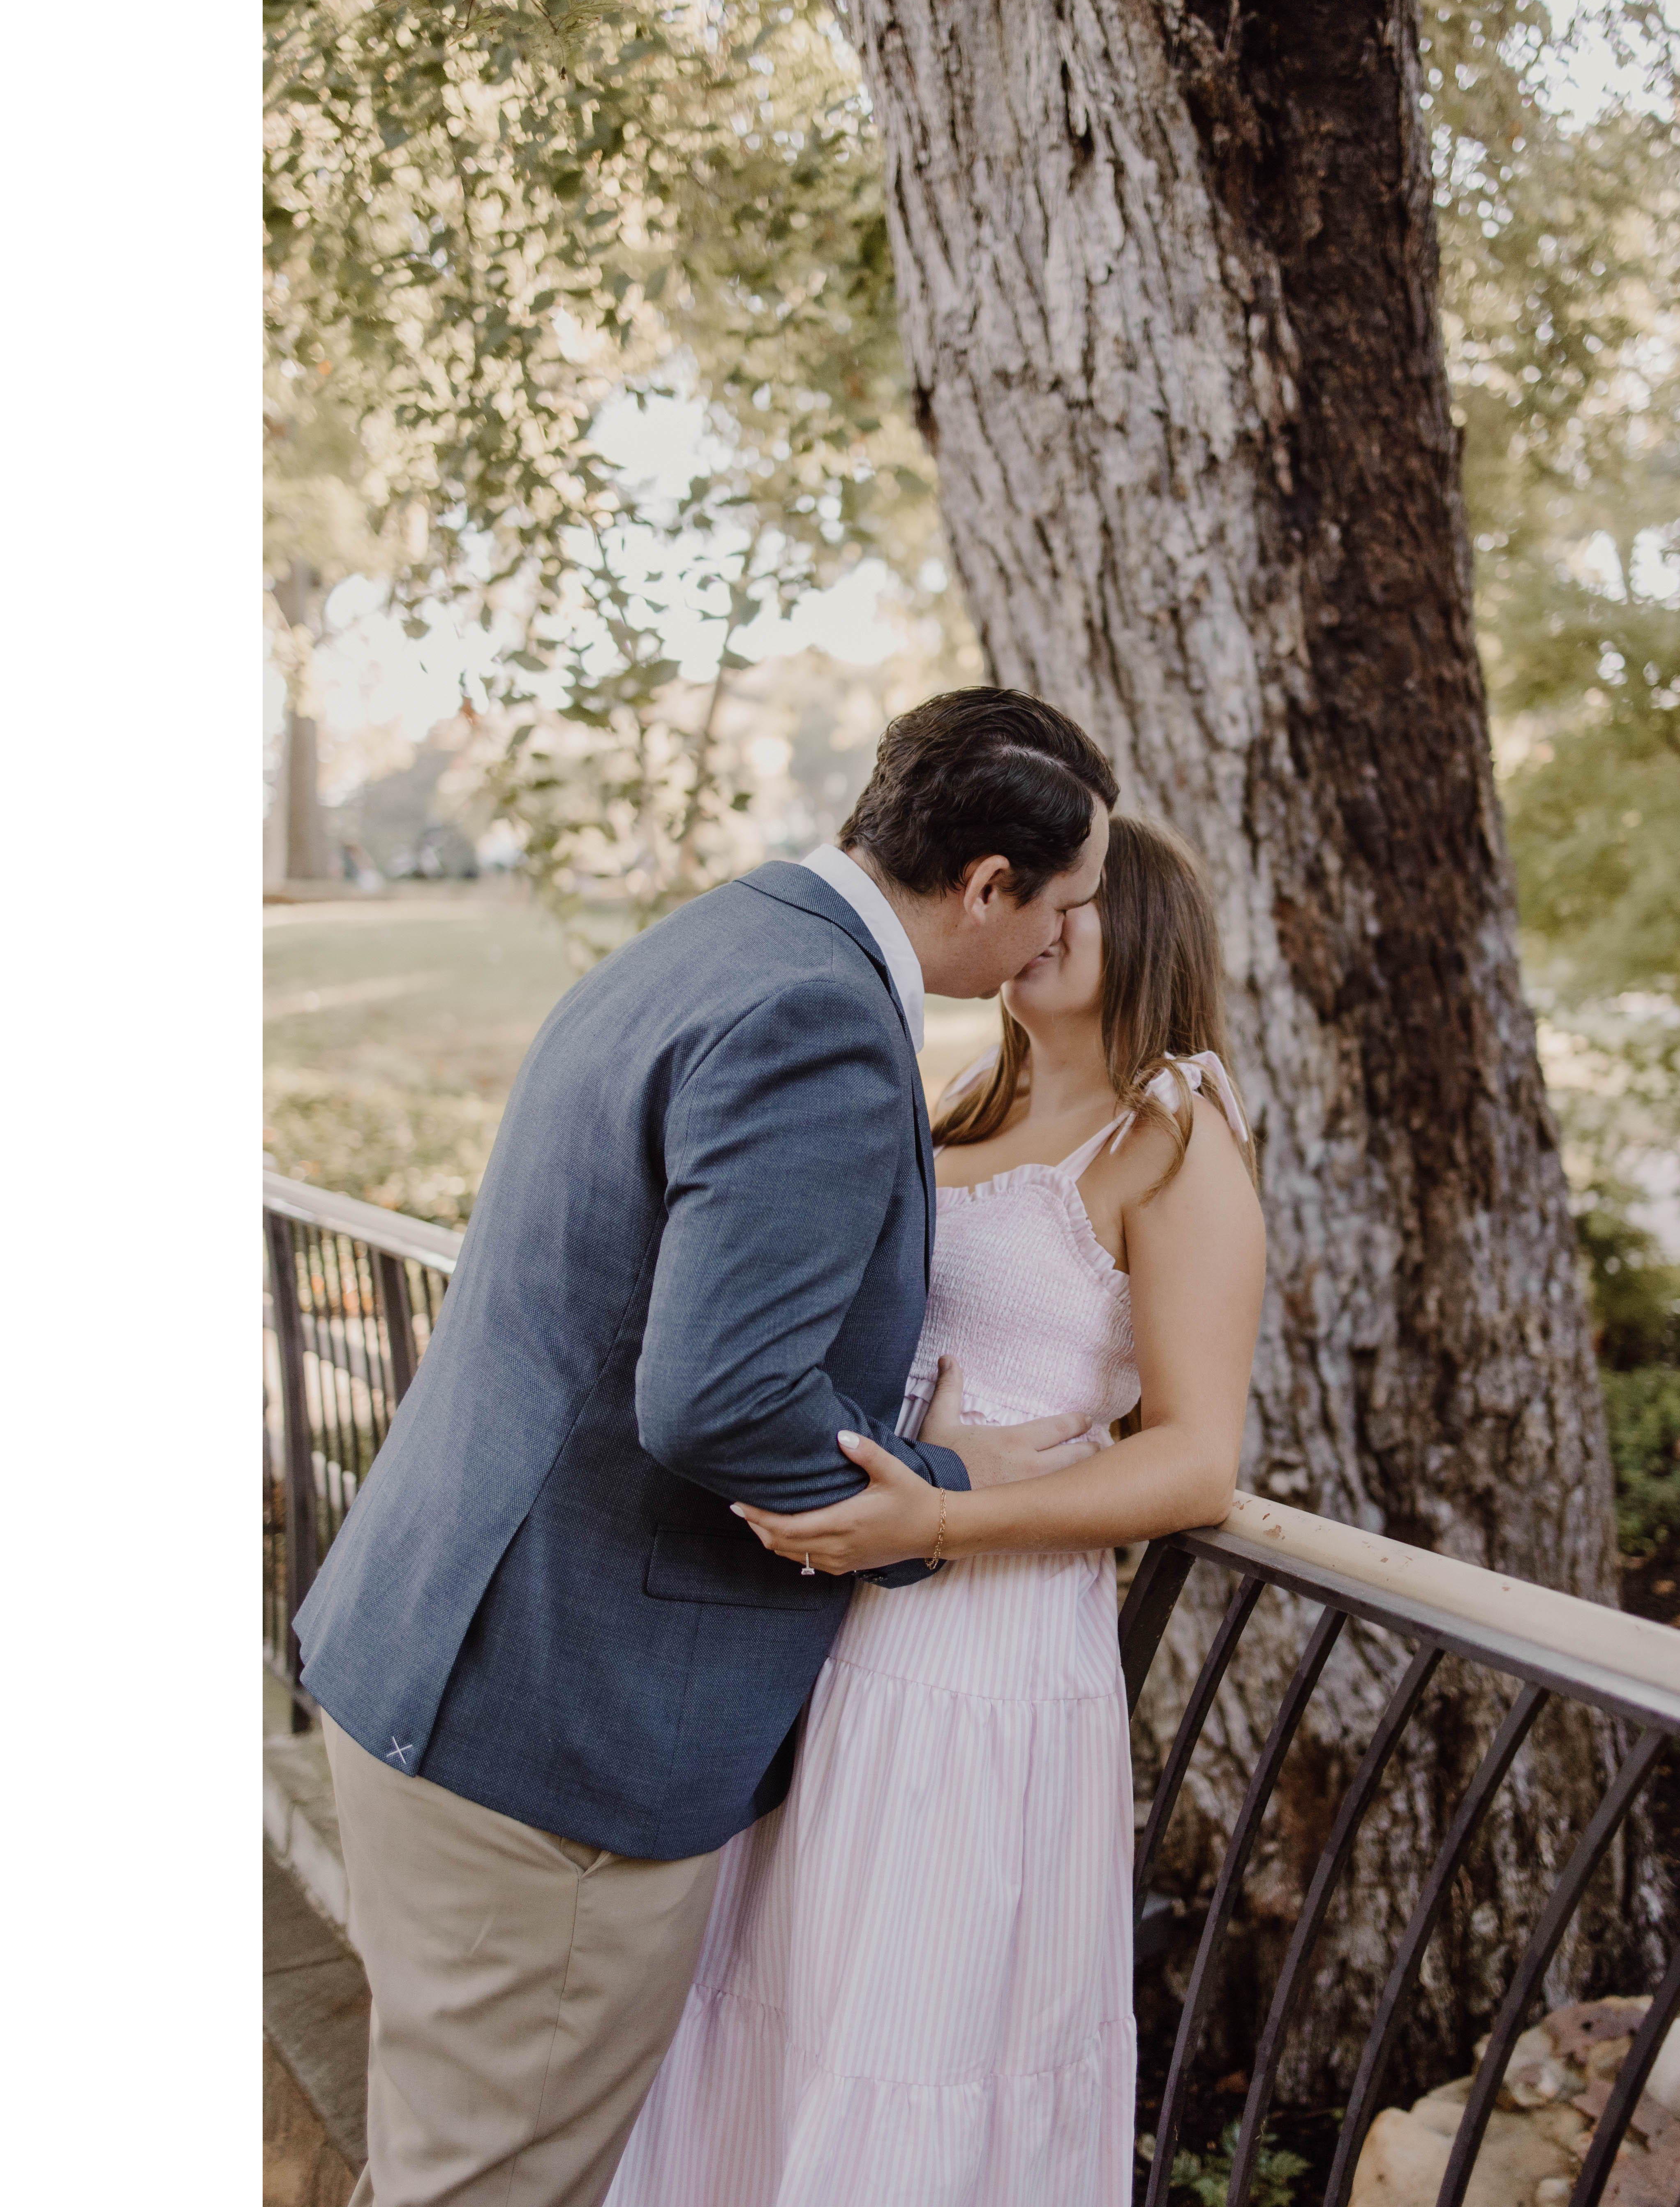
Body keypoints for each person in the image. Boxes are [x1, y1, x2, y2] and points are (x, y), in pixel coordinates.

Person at [292, 687, 1120, 2207]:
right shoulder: (822, 1019)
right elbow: (719, 1396)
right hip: (554, 1736)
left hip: (437, 1656)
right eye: (1061, 904)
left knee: (438, 2163)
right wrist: (943, 1492)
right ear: (988, 885)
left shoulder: (724, 936)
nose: (1065, 940)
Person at [608, 814, 1268, 2206]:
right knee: (780, 1997)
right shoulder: (960, 1099)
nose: (1039, 922)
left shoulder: (1177, 1138)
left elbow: (1197, 1461)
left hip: (982, 1650)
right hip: (826, 1628)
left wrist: (943, 1522)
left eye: (1076, 901)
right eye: (1032, 897)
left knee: (911, 2026)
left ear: (1145, 923)